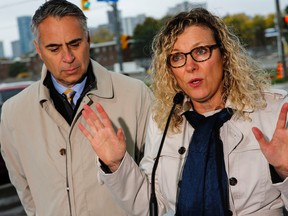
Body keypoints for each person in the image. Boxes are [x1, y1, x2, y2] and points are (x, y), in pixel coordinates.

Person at [78, 8, 288, 216]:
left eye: (200, 51)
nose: (190, 66)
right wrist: (116, 165)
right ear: (170, 70)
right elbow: (149, 205)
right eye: (177, 57)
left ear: (224, 55)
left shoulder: (274, 112)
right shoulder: (163, 122)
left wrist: (285, 171)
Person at [0, 0, 153, 215]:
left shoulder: (137, 95)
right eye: (54, 48)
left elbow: (157, 182)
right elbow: (24, 187)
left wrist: (118, 165)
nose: (68, 57)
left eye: (75, 44)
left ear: (88, 39)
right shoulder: (13, 113)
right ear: (38, 50)